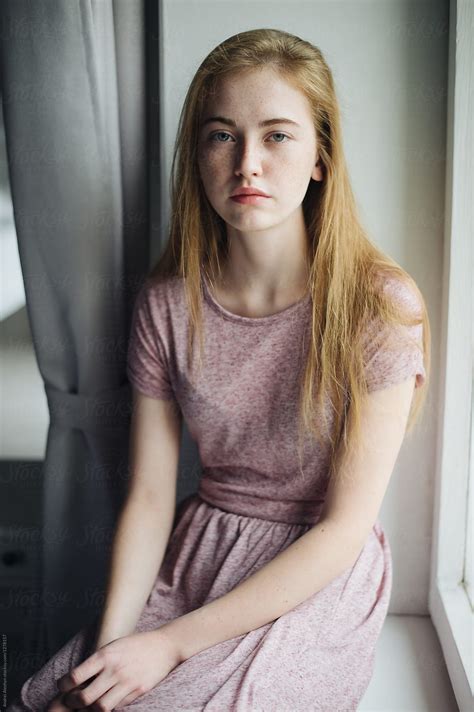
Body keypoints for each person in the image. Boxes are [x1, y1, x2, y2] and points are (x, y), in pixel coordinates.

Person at [8, 27, 430, 711]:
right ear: (198, 156)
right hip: (200, 550)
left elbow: (342, 530)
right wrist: (114, 646)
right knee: (64, 702)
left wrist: (171, 646)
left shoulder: (377, 307)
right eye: (222, 136)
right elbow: (149, 499)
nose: (247, 164)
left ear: (322, 156)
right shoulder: (166, 306)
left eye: (277, 136)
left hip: (316, 574)